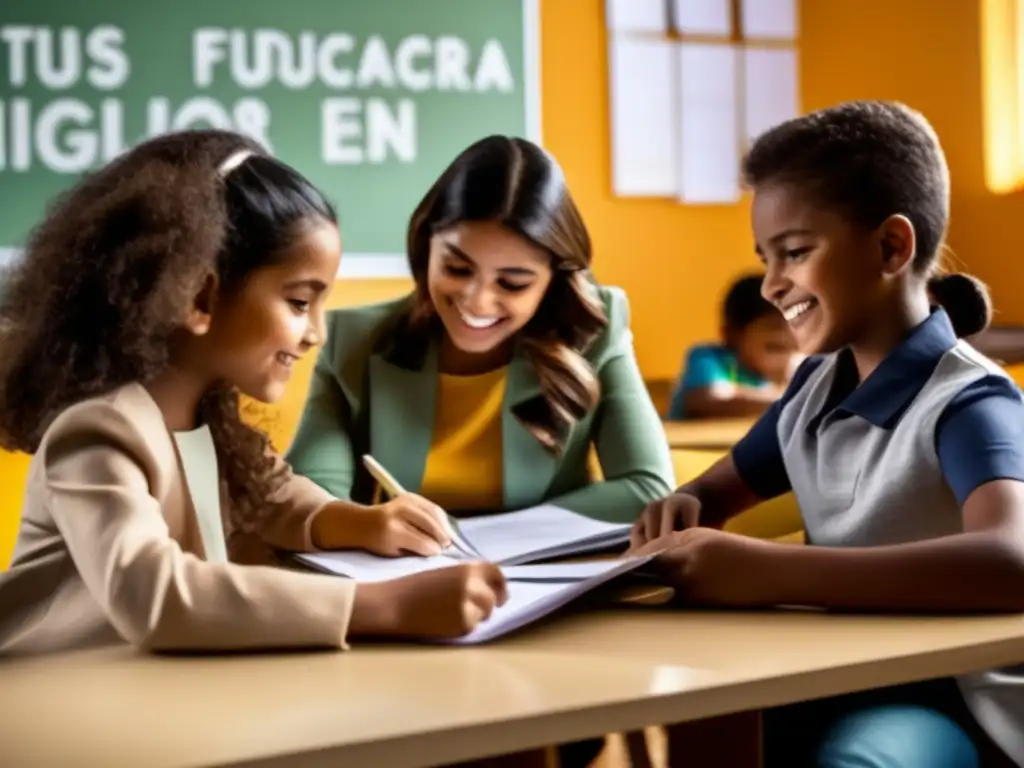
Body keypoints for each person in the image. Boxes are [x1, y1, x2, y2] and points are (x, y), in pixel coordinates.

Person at [0, 129, 508, 656]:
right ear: (199, 293)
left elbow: (272, 496)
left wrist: (362, 521)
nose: (317, 333)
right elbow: (155, 595)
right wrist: (384, 606)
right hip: (54, 693)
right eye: (298, 302)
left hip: (153, 694)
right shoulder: (98, 433)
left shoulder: (206, 417)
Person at [631, 101, 1024, 767]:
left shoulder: (968, 401)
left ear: (891, 247)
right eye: (766, 258)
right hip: (830, 668)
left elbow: (1012, 562)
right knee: (699, 708)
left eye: (795, 253)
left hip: (947, 697)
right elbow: (714, 492)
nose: (771, 284)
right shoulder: (812, 389)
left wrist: (769, 571)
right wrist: (684, 507)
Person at [285, 134, 675, 766]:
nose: (476, 302)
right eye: (457, 267)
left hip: (545, 621)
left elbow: (647, 488)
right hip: (404, 626)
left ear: (553, 280)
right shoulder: (356, 341)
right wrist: (367, 522)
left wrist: (473, 537)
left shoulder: (598, 327)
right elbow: (308, 494)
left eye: (513, 283)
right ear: (426, 245)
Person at [665, 273, 799, 419]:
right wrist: (790, 401)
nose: (786, 335)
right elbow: (709, 401)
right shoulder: (709, 359)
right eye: (775, 326)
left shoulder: (795, 370)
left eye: (794, 323)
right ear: (732, 334)